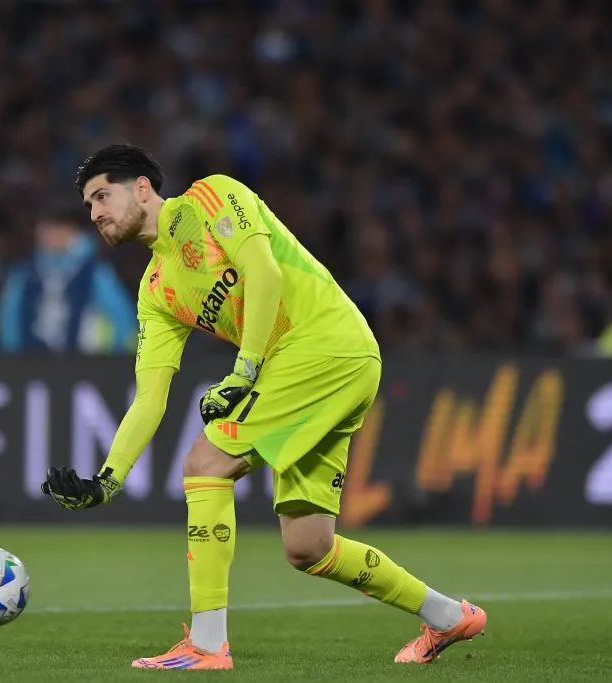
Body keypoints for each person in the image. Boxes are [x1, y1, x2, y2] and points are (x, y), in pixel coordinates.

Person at [41, 144, 486, 669]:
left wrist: (244, 369)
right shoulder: (156, 292)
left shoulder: (213, 196)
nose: (94, 213)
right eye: (88, 205)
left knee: (205, 464)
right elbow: (150, 397)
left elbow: (265, 273)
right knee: (309, 546)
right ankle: (448, 615)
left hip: (324, 342)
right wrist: (107, 480)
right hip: (320, 366)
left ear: (142, 188)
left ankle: (207, 645)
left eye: (101, 196)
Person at [0, 204, 137, 354]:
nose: (54, 234)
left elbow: (121, 316)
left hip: (83, 364)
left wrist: (112, 360)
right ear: (38, 231)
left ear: (73, 231)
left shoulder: (94, 273)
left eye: (61, 228)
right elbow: (9, 318)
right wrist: (12, 358)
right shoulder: (24, 273)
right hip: (32, 363)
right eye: (49, 228)